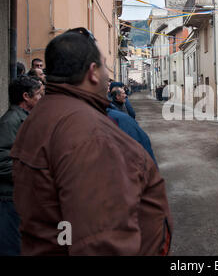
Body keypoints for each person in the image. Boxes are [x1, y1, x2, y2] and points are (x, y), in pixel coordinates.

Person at [10, 27, 172, 256]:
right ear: (93, 72)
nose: (108, 74)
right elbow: (100, 241)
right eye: (105, 65)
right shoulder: (89, 134)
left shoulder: (41, 116)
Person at [0, 76, 43, 256]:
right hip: (10, 197)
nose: (41, 98)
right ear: (26, 97)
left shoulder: (25, 119)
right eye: (38, 94)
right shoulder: (11, 122)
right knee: (11, 247)